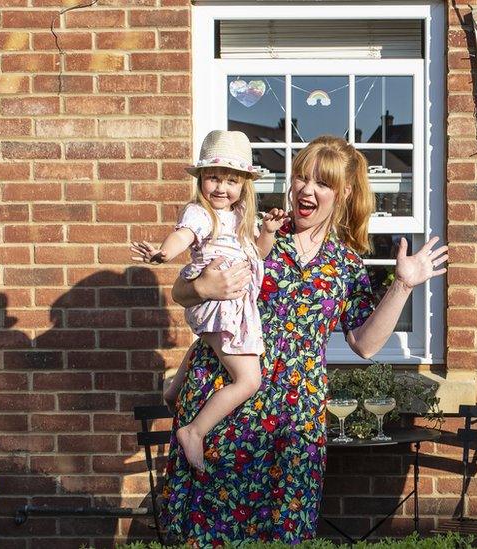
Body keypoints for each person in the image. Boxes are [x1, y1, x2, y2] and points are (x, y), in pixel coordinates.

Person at [158, 135, 447, 544]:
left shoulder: (345, 263)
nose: (306, 190)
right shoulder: (256, 236)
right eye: (300, 178)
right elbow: (182, 294)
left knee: (283, 531)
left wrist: (401, 285)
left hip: (296, 417)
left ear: (344, 193)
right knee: (210, 531)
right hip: (225, 399)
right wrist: (203, 287)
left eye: (322, 183)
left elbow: (365, 343)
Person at [130, 129, 290, 470]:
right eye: (214, 178)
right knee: (249, 380)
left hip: (233, 305)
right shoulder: (201, 214)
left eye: (231, 181)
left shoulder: (237, 218)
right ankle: (195, 431)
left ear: (243, 186)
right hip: (219, 304)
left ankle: (175, 389)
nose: (221, 187)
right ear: (202, 179)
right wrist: (163, 253)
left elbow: (257, 255)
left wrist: (268, 233)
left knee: (210, 344)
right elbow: (182, 235)